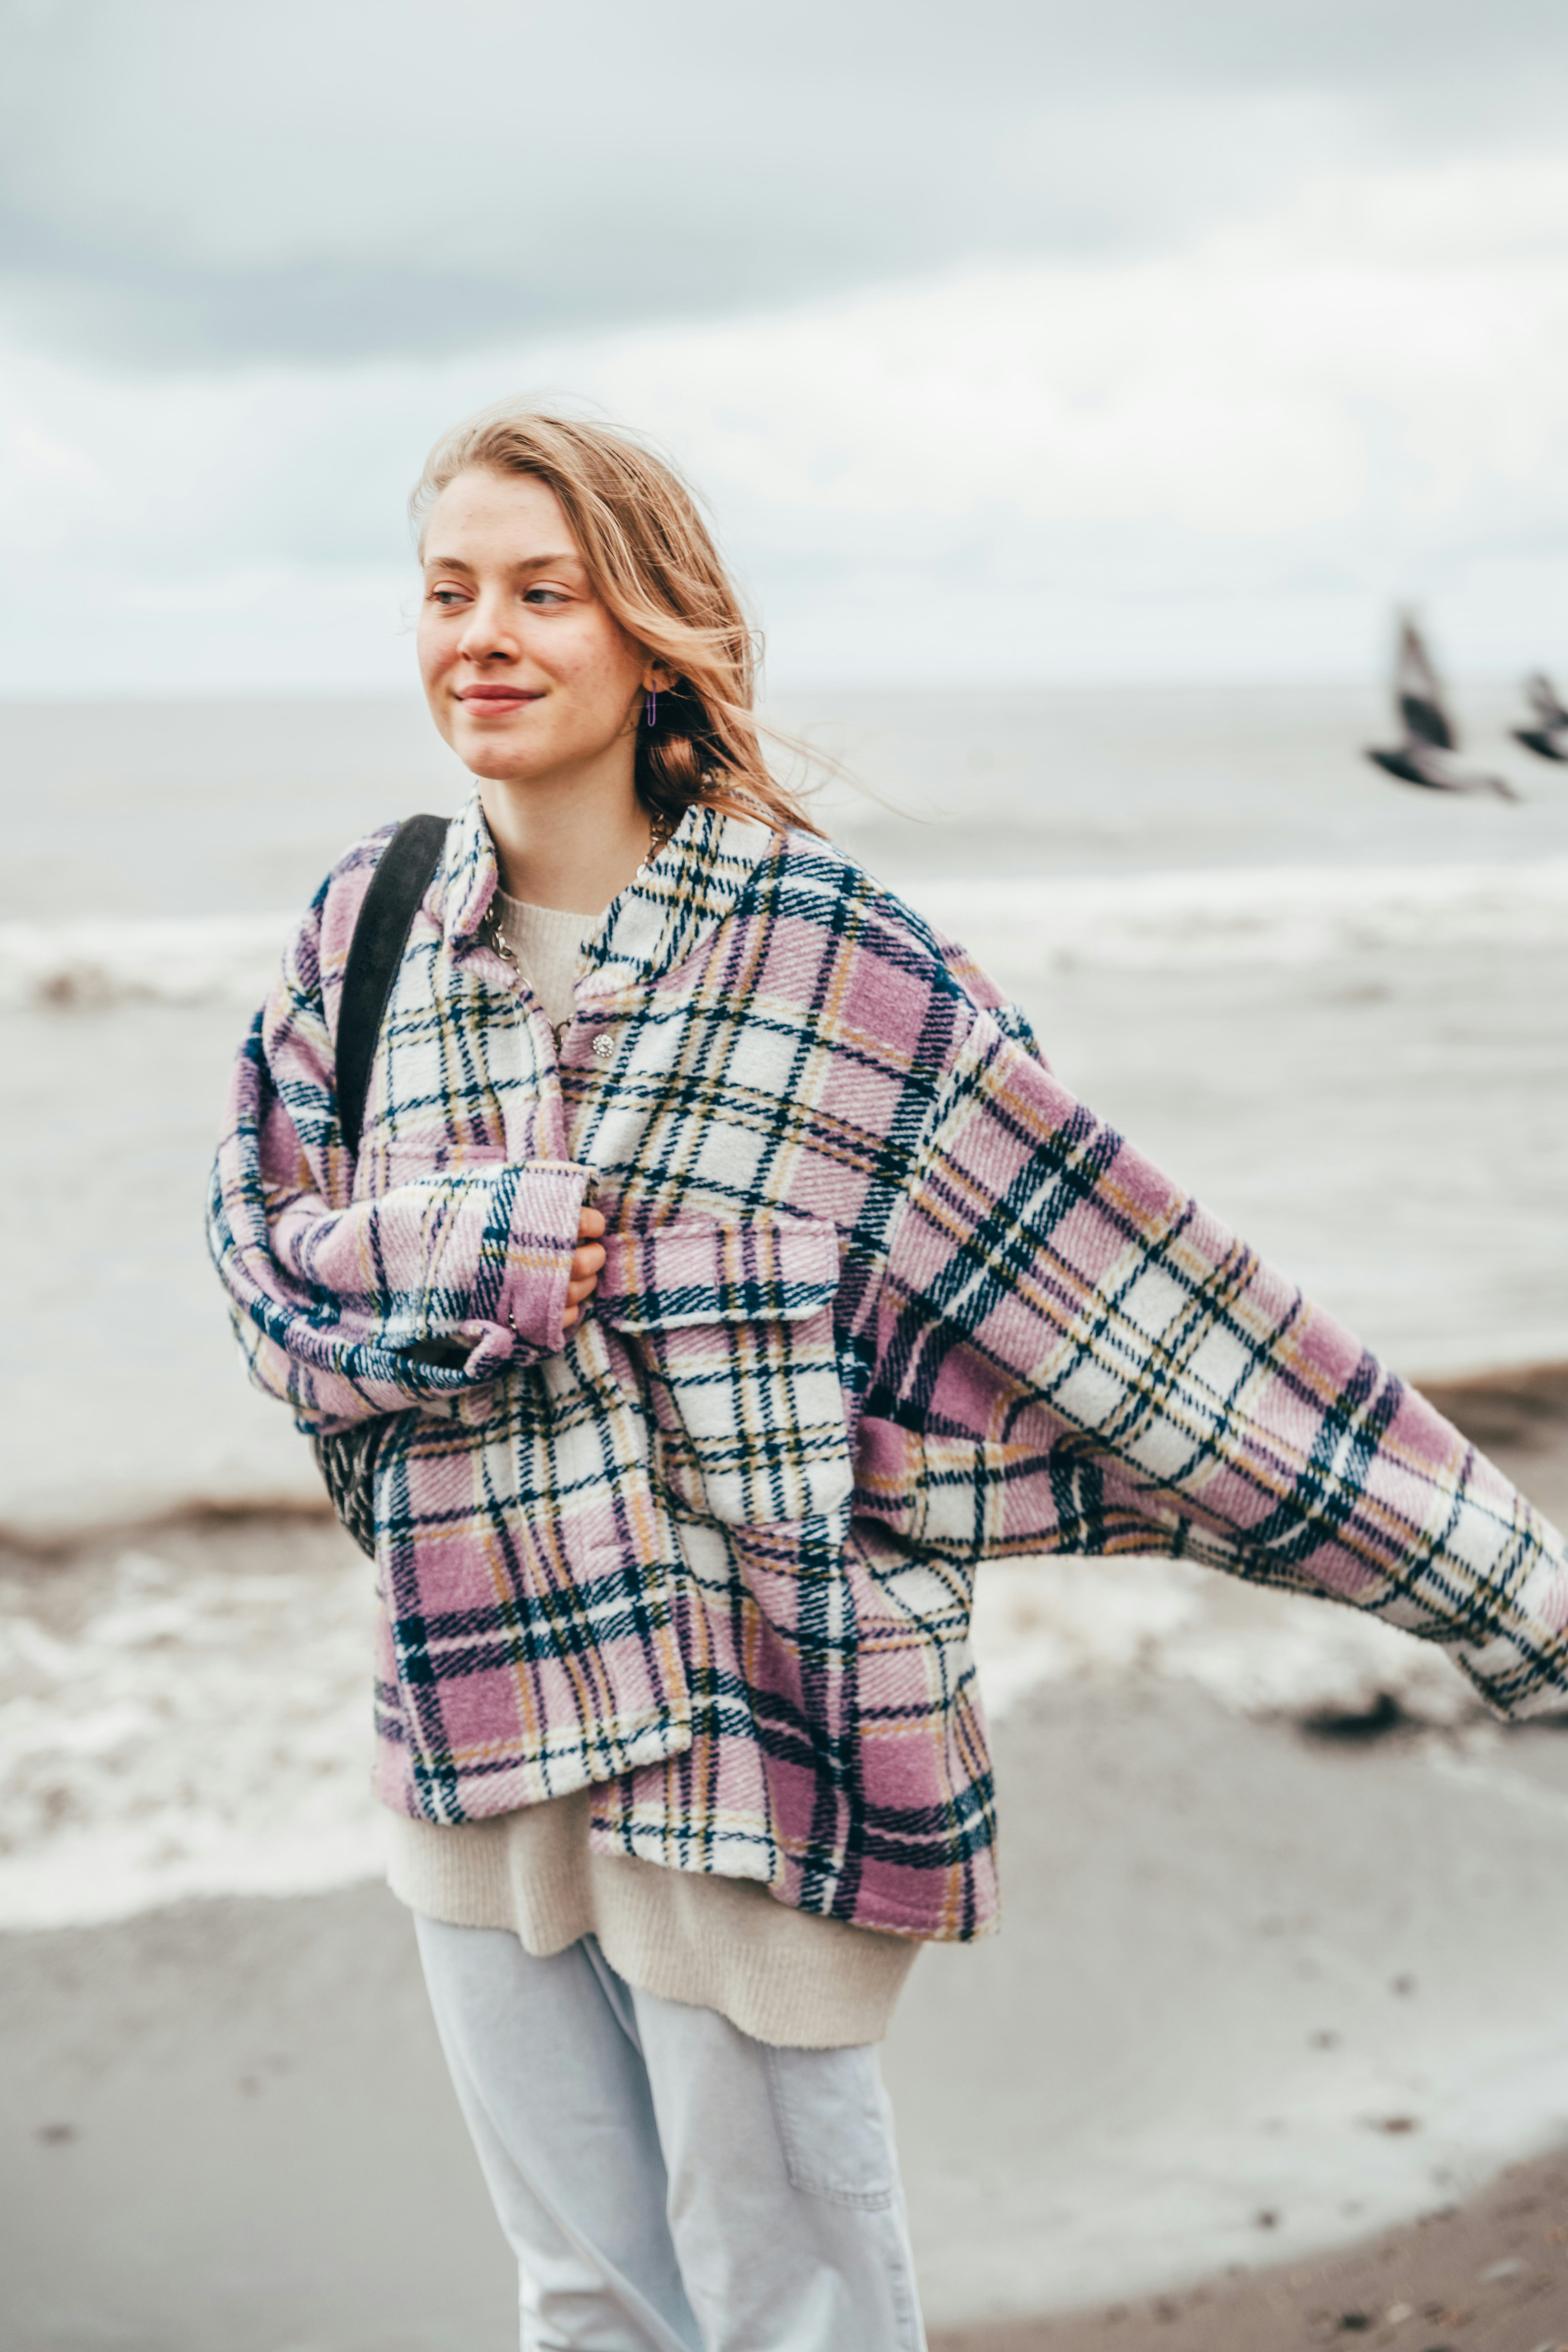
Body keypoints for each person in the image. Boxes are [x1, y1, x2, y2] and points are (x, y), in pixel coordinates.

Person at [208, 403, 1568, 2352]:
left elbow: (1146, 1315)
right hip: (474, 1708)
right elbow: (267, 1285)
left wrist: (1513, 1587)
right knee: (582, 2302)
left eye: (541, 591)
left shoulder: (840, 964)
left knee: (796, 2317)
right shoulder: (370, 930)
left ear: (654, 627)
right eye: (446, 592)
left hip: (761, 1734)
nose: (480, 637)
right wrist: (467, 1257)